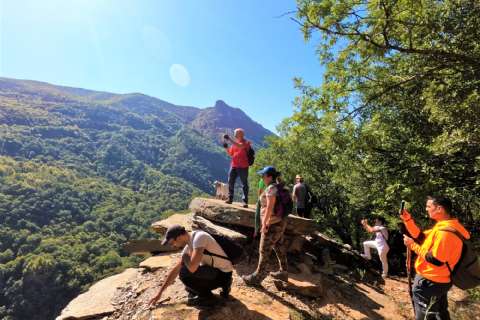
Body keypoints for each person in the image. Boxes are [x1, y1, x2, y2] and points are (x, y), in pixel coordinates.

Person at [402, 196, 470, 320]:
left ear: (439, 208)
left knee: (426, 316)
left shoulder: (445, 232)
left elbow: (436, 260)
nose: (426, 209)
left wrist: (412, 246)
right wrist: (408, 220)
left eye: (429, 206)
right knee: (441, 313)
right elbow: (420, 237)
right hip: (441, 281)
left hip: (429, 282)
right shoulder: (447, 226)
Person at [149, 225, 233, 307]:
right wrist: (159, 293)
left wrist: (185, 256)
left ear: (179, 237)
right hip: (214, 271)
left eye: (172, 242)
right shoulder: (190, 244)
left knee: (184, 272)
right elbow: (175, 270)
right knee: (189, 285)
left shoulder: (199, 237)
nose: (172, 245)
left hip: (223, 274)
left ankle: (208, 298)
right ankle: (213, 291)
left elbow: (192, 268)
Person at [242, 166, 289, 285]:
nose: (262, 177)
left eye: (263, 175)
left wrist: (264, 223)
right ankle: (284, 272)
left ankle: (257, 277)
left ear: (269, 177)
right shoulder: (280, 186)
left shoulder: (271, 189)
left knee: (263, 250)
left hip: (271, 224)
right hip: (280, 222)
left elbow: (269, 207)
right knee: (279, 246)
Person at [223, 128, 251, 208]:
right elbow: (231, 154)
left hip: (243, 166)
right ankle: (230, 198)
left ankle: (245, 202)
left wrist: (229, 139)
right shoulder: (234, 144)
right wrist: (226, 148)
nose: (234, 134)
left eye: (236, 133)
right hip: (234, 165)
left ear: (241, 134)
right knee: (230, 181)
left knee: (244, 184)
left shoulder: (246, 143)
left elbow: (240, 146)